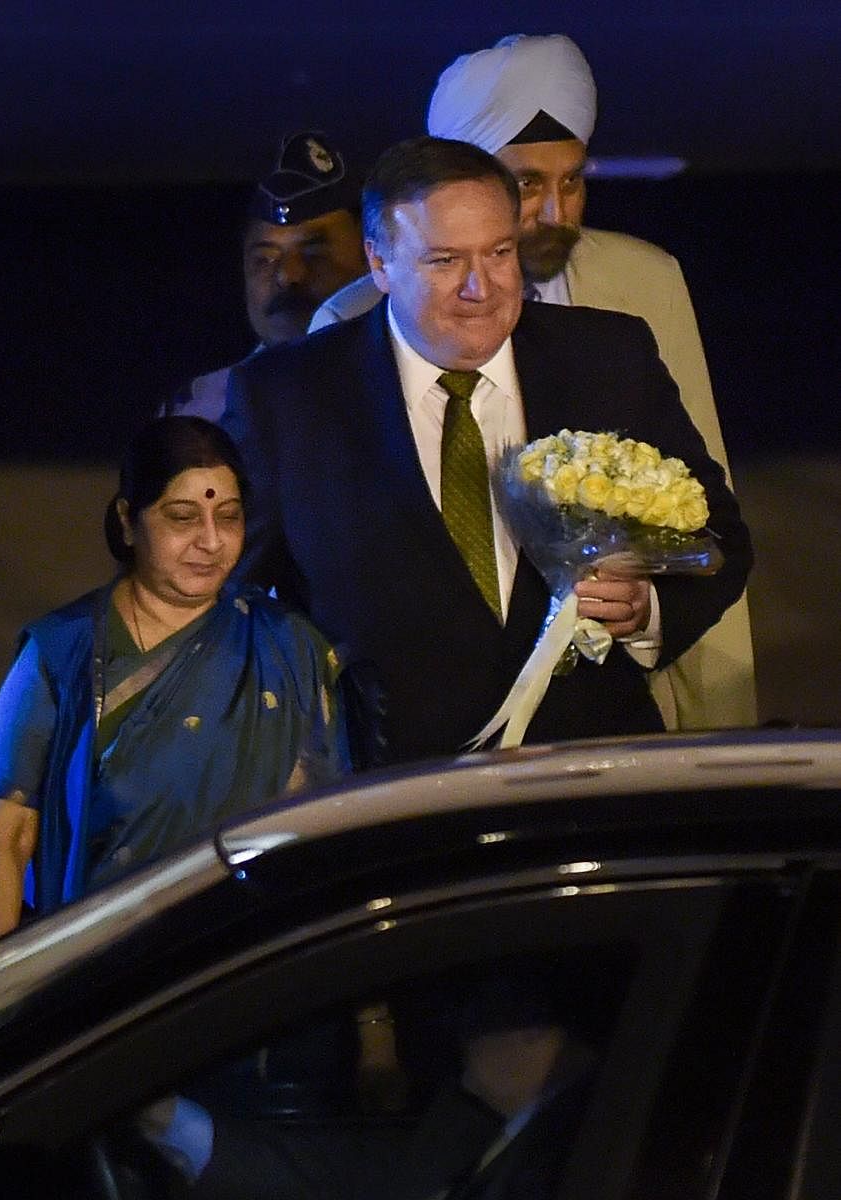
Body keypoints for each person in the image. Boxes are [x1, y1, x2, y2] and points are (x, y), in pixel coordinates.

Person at [221, 136, 753, 765]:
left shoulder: (608, 359)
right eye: (444, 261)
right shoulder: (287, 399)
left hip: (590, 783)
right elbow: (239, 602)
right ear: (380, 263)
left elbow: (721, 543)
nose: (481, 287)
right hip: (390, 803)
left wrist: (647, 610)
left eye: (499, 253)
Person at [309, 34, 756, 732]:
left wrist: (693, 687)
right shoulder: (350, 322)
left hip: (611, 710)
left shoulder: (640, 286)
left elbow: (699, 507)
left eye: (571, 181)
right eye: (525, 185)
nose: (554, 214)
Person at [0, 416, 348, 944]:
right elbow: (8, 840)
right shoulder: (61, 652)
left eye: (229, 516)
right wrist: (2, 1004)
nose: (212, 541)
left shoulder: (289, 646)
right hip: (105, 971)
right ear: (129, 522)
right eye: (182, 518)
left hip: (257, 960)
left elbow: (323, 826)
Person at [166, 131, 367, 422]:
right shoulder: (202, 410)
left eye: (314, 252)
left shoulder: (411, 391)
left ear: (372, 259)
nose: (288, 276)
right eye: (265, 259)